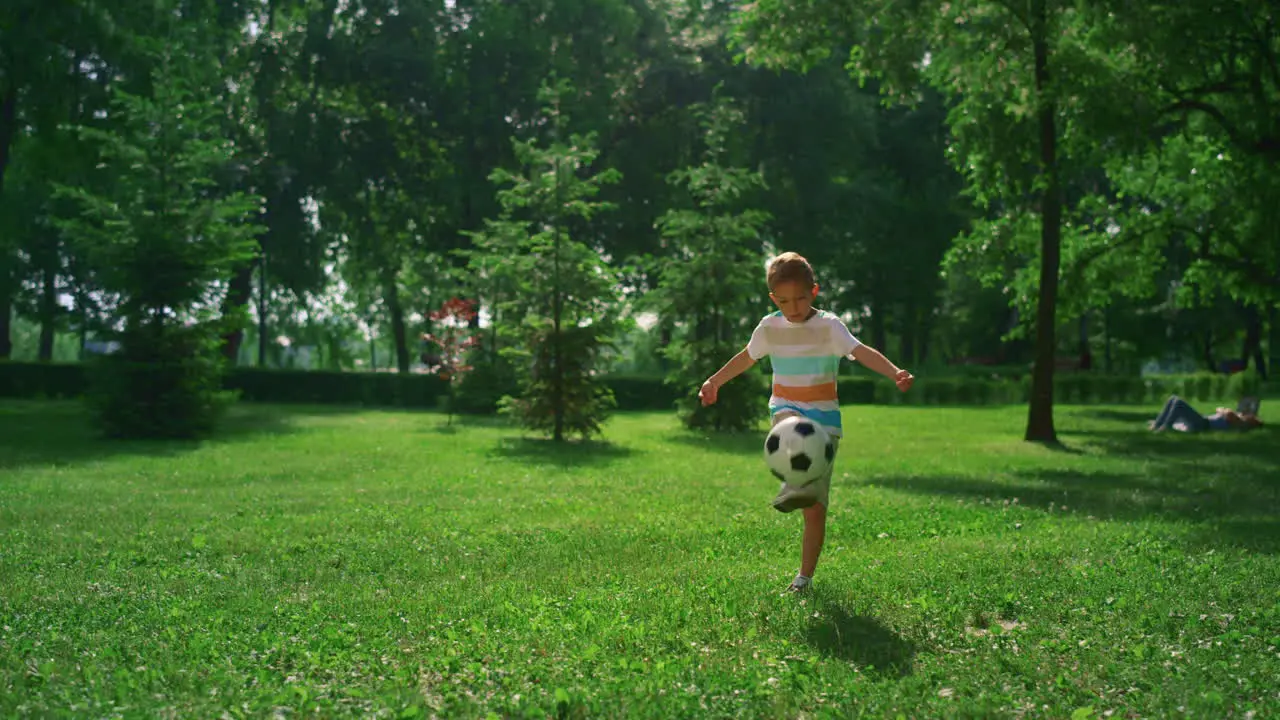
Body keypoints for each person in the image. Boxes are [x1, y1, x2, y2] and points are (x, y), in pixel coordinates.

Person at [697, 252, 914, 593]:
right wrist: (715, 381)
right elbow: (746, 358)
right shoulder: (769, 327)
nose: (793, 307)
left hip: (825, 421)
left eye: (800, 298)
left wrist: (894, 372)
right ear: (773, 299)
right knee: (791, 427)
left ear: (814, 292)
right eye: (784, 301)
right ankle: (795, 483)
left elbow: (860, 351)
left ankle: (804, 578)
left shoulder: (829, 326)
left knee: (814, 510)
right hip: (787, 409)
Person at [1148, 394, 1263, 432]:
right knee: (1173, 399)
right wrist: (1223, 410)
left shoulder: (1239, 422)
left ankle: (1165, 426)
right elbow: (1220, 409)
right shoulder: (1237, 419)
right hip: (1203, 421)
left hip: (1203, 424)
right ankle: (1158, 424)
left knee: (1178, 402)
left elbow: (1226, 412)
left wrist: (1223, 410)